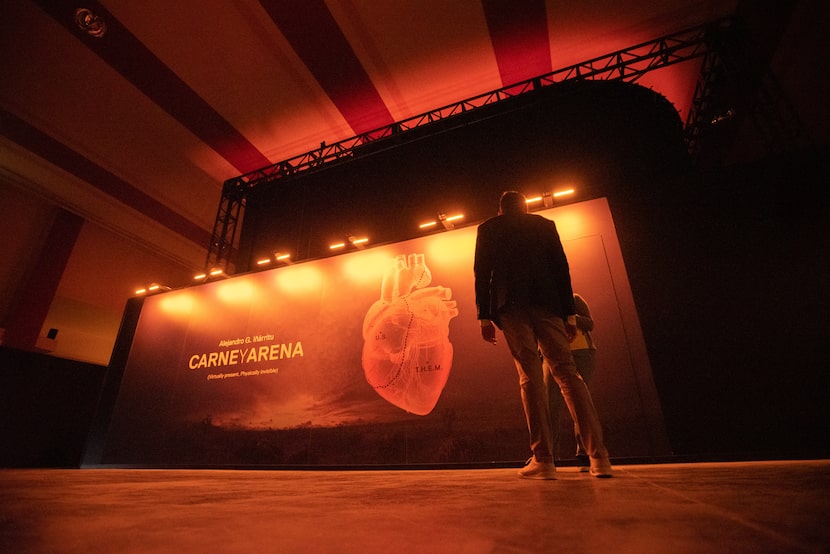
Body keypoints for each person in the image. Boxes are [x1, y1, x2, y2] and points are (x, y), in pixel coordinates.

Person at [473, 191, 612, 479]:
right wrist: (569, 314)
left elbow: (482, 273)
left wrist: (484, 316)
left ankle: (544, 460)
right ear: (526, 207)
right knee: (568, 375)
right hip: (549, 306)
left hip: (510, 307)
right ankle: (599, 457)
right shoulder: (544, 225)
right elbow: (562, 269)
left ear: (500, 210)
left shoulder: (489, 228)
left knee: (529, 378)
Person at [549, 293, 598, 471]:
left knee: (579, 402)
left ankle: (585, 455)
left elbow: (589, 324)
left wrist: (569, 317)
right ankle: (549, 457)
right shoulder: (539, 303)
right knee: (550, 405)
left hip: (581, 353)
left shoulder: (574, 299)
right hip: (552, 356)